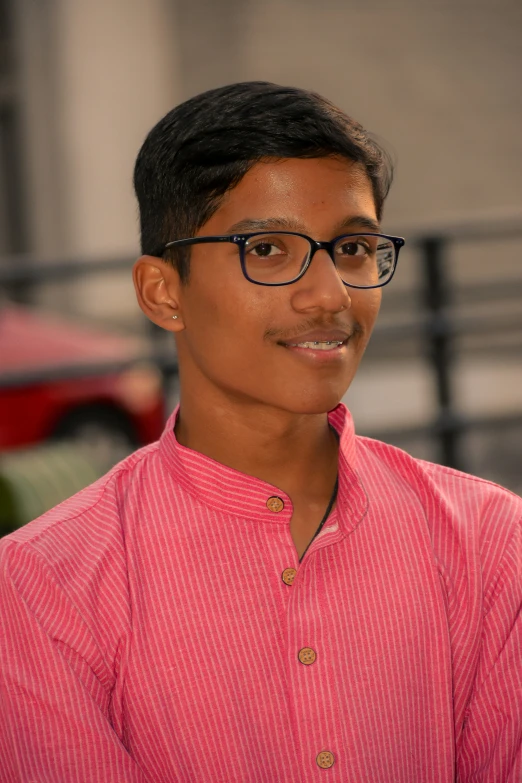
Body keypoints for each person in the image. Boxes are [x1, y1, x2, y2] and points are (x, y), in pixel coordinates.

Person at [0, 82, 520, 783]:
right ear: (163, 292)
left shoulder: (491, 542)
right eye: (269, 248)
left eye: (355, 248)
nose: (330, 294)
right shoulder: (40, 588)